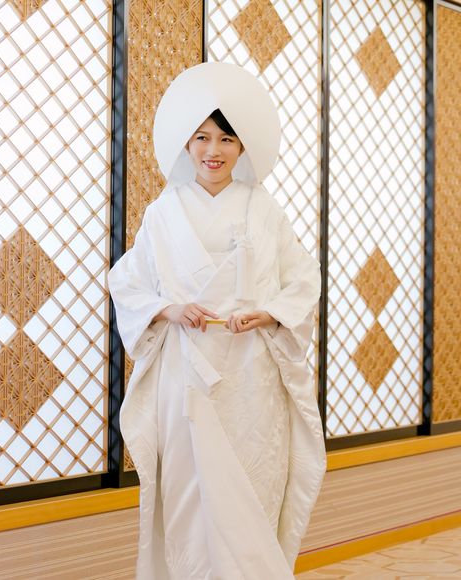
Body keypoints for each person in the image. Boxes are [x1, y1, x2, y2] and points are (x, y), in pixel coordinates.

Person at [108, 62, 326, 580]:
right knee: (189, 494)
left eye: (227, 139)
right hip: (185, 370)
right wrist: (171, 309)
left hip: (251, 374)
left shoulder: (264, 209)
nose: (214, 150)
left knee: (253, 480)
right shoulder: (162, 213)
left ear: (242, 146)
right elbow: (127, 281)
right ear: (186, 144)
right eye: (202, 137)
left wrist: (269, 313)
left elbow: (303, 278)